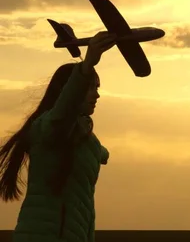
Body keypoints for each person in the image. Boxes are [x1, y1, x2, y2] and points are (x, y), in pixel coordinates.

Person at [0, 31, 117, 242]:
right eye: (90, 87)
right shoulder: (48, 128)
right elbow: (64, 113)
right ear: (67, 91)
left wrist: (101, 153)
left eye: (97, 88)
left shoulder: (85, 140)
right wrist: (87, 65)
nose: (97, 94)